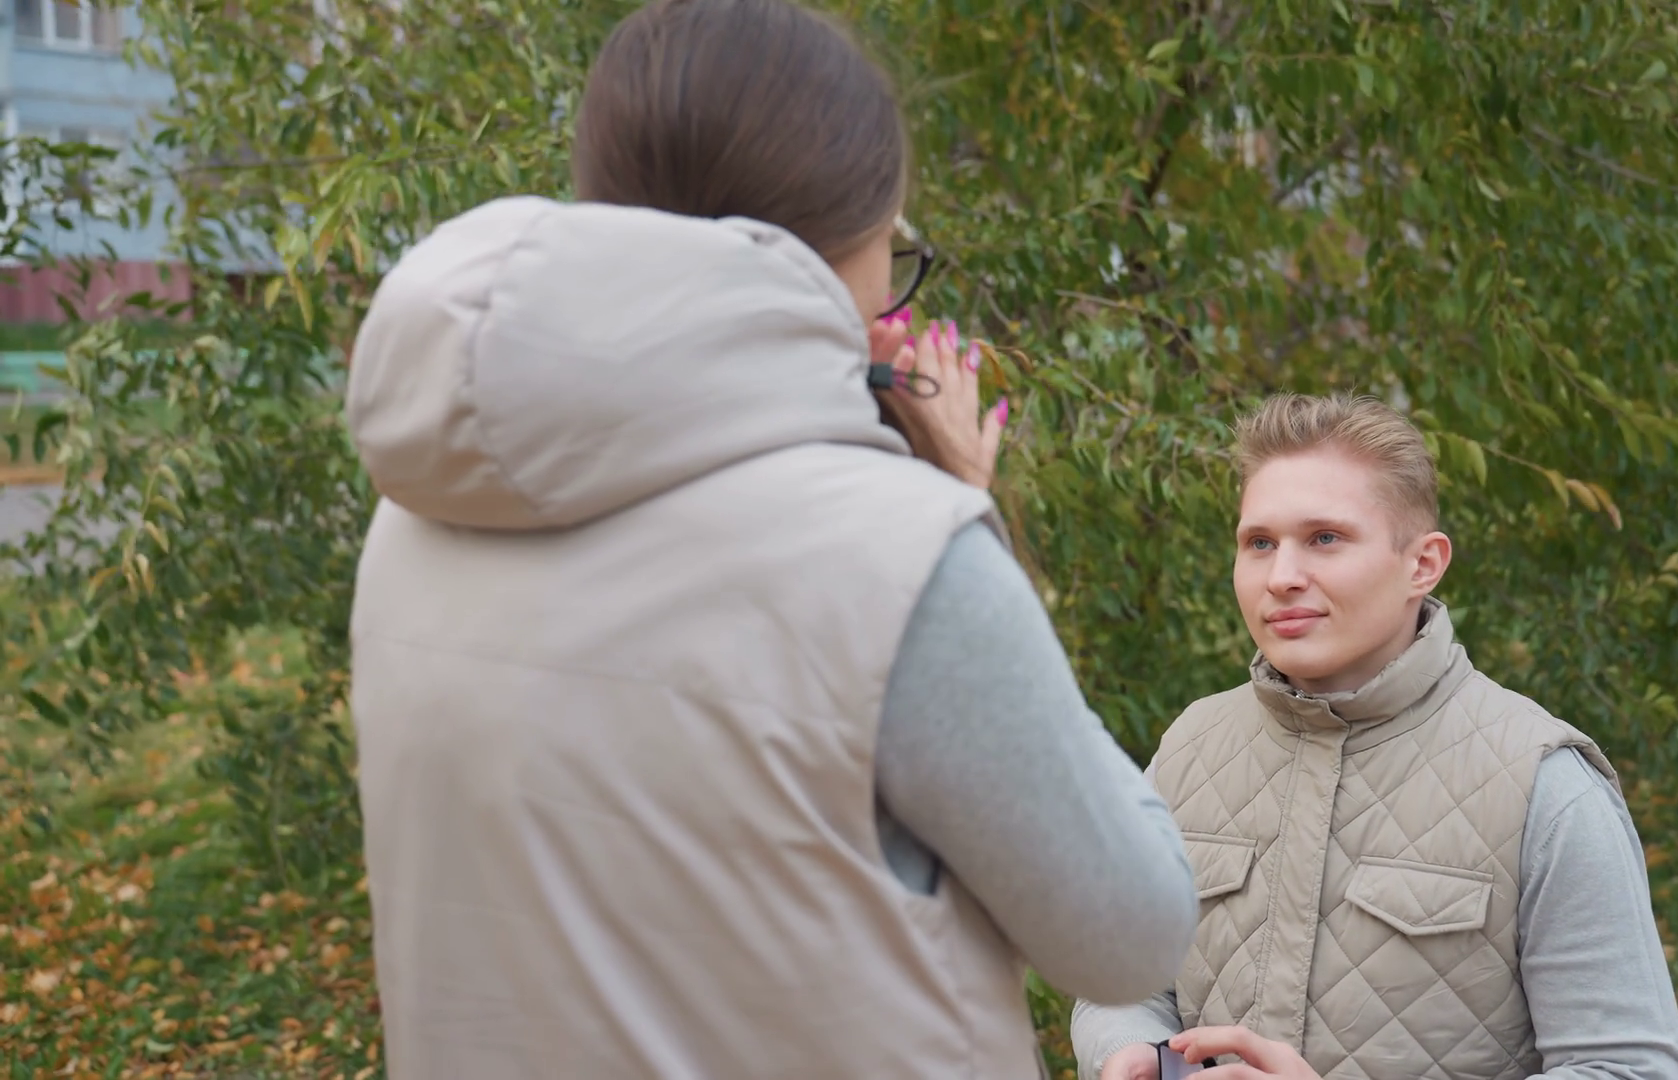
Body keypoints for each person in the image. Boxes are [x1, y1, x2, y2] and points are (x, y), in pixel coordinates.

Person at [341, 2, 1196, 1077]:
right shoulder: (895, 555)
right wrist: (956, 524)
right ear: (846, 242)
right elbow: (1130, 933)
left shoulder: (416, 523)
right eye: (895, 244)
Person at [1073, 394, 1678, 1080]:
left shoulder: (1543, 785)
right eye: (1260, 543)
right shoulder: (1190, 749)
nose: (1282, 577)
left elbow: (1631, 1069)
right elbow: (1119, 981)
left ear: (1423, 564)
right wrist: (1127, 1050)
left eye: (1325, 538)